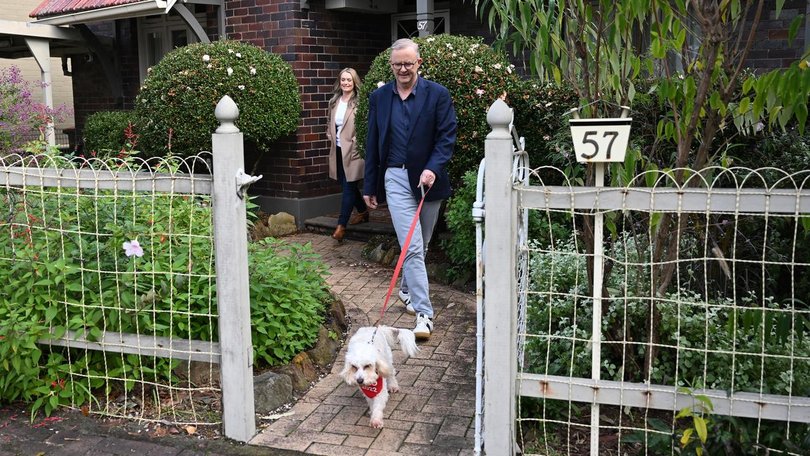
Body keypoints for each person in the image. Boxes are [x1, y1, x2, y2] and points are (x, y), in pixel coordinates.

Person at [363, 38, 457, 340]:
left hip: (428, 181)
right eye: (397, 64)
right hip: (395, 178)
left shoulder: (438, 95)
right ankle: (424, 314)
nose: (403, 69)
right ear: (391, 66)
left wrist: (432, 167)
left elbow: (446, 137)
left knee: (422, 244)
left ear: (418, 63)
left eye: (408, 63)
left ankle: (405, 289)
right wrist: (370, 183)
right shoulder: (379, 97)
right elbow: (373, 141)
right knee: (413, 247)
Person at [327, 67, 369, 242]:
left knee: (349, 187)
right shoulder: (334, 101)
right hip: (337, 150)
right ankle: (362, 211)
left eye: (349, 80)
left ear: (354, 82)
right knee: (347, 186)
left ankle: (341, 226)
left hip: (353, 151)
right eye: (343, 80)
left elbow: (363, 127)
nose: (345, 83)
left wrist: (356, 145)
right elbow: (330, 122)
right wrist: (330, 135)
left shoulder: (359, 102)